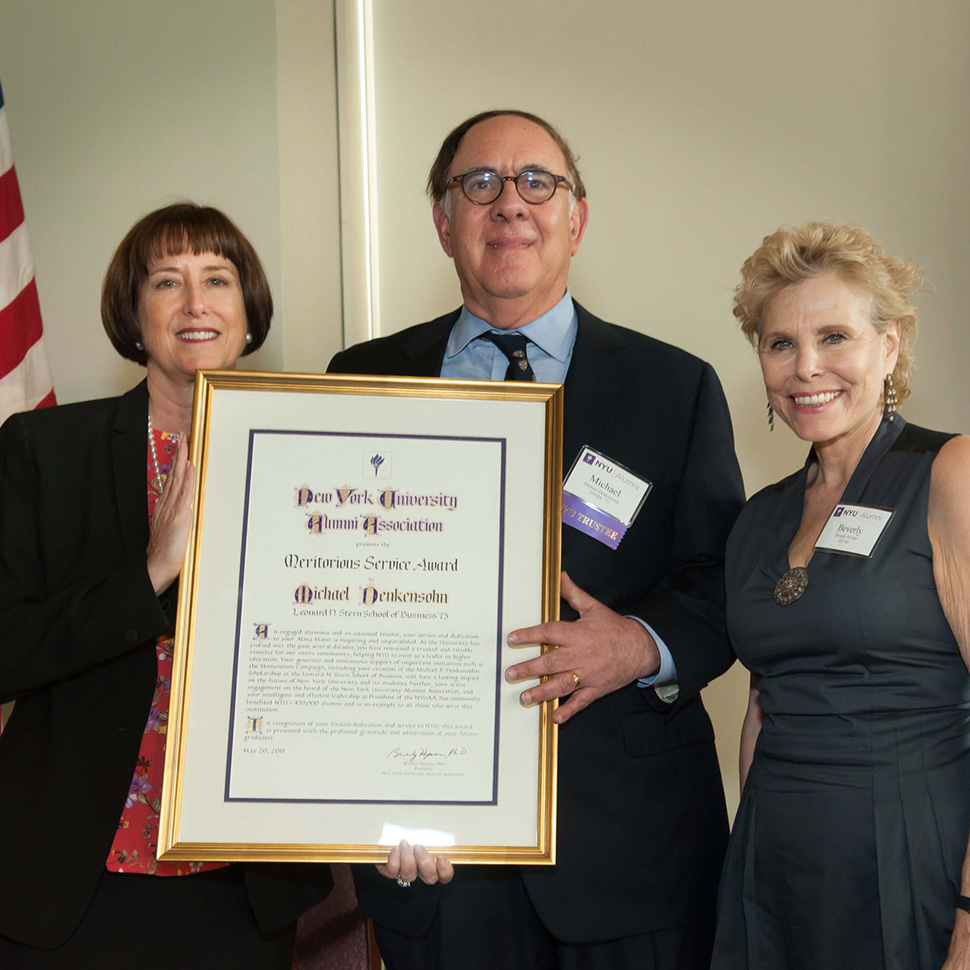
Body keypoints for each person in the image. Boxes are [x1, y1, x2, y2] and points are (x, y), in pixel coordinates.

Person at [328, 109, 746, 970]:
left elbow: (720, 581)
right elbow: (328, 603)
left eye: (537, 182)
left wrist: (637, 645)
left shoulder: (674, 386)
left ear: (576, 219)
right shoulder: (360, 380)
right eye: (480, 183)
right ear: (443, 222)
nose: (510, 203)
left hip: (632, 852)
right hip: (436, 855)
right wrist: (369, 791)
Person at [0, 202, 337, 967]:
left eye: (217, 279)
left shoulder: (317, 460)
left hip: (243, 884)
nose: (195, 303)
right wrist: (151, 570)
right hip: (74, 878)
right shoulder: (46, 452)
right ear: (133, 311)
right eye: (166, 281)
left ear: (248, 310)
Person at [711, 222, 970, 970]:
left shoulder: (948, 472)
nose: (806, 367)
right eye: (780, 343)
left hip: (909, 858)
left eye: (834, 337)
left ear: (889, 347)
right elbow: (763, 705)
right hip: (772, 869)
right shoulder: (758, 518)